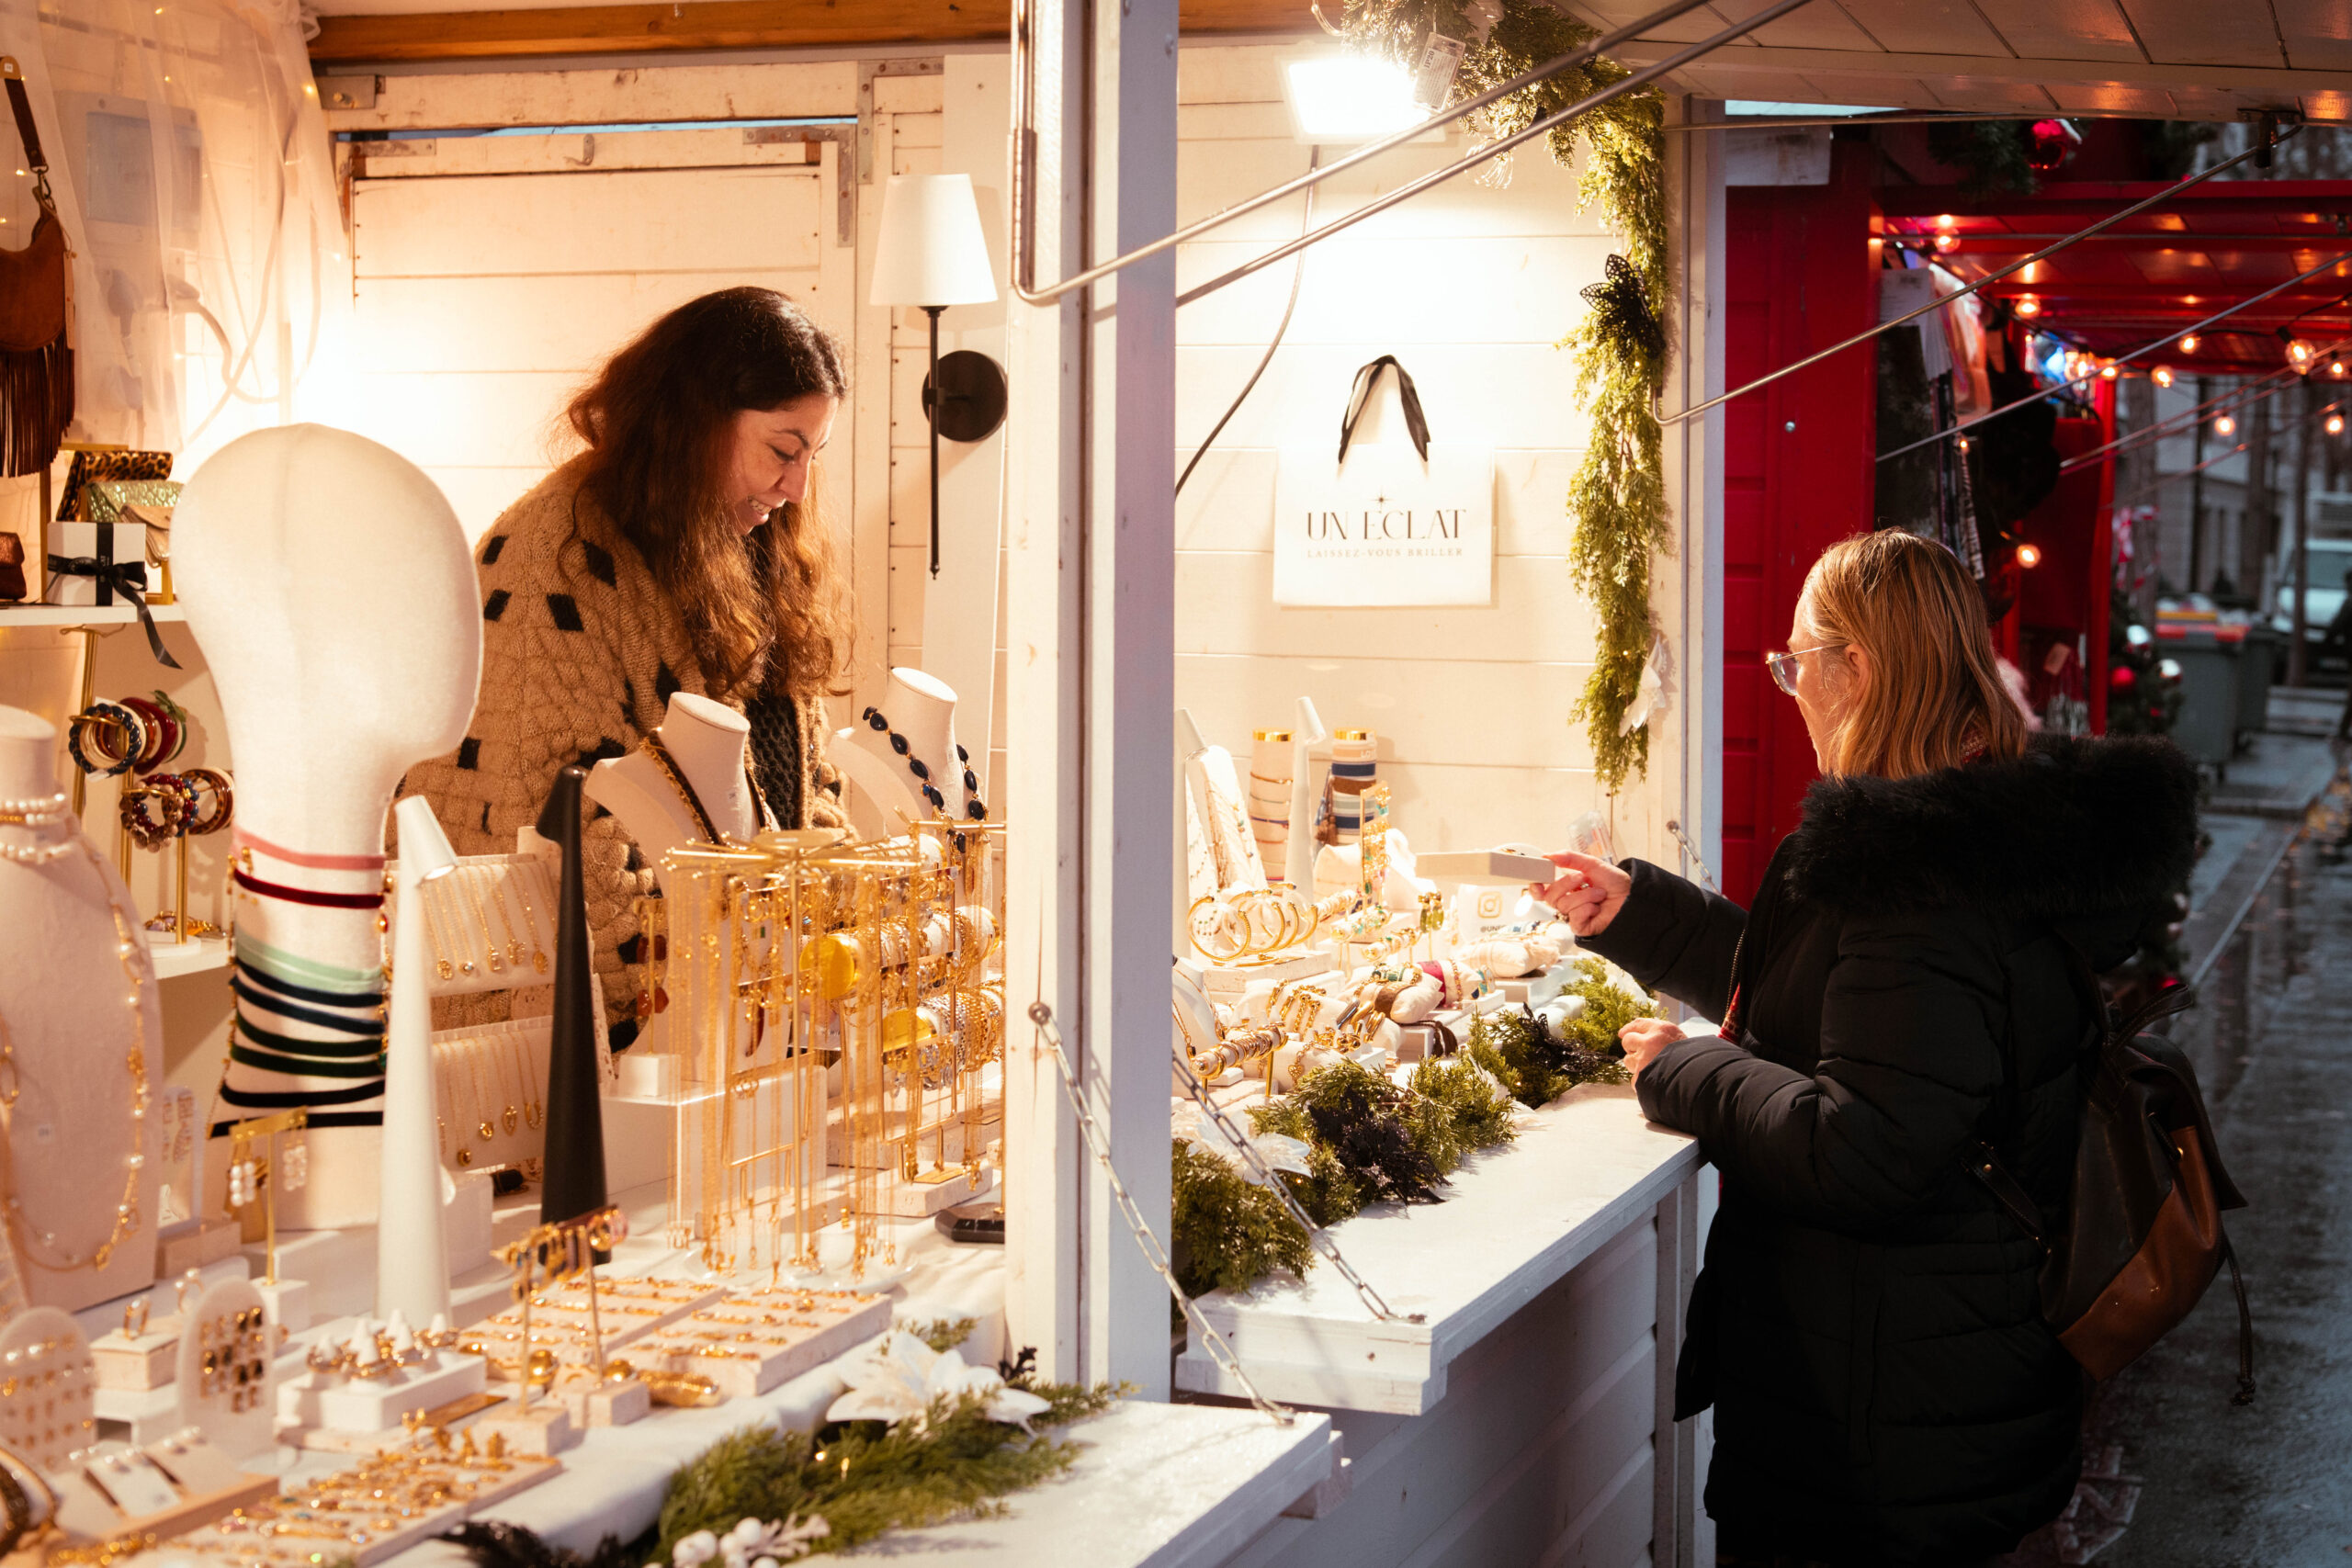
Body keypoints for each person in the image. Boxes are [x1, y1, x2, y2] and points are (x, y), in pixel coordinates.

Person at [1538, 531, 2198, 1568]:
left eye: (1797, 661)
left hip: (1881, 1427)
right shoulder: (1966, 835)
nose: (1787, 686)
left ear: (1864, 671)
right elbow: (1834, 1002)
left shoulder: (1917, 882)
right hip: (1933, 1379)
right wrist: (1639, 915)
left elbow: (1867, 1152)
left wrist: (1682, 1069)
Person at [407, 288, 851, 1045]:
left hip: (743, 1022)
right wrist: (714, 995)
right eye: (782, 450)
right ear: (698, 421)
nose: (798, 486)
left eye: (813, 455)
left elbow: (805, 786)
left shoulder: (752, 541)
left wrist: (827, 942)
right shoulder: (555, 558)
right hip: (613, 1036)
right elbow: (555, 828)